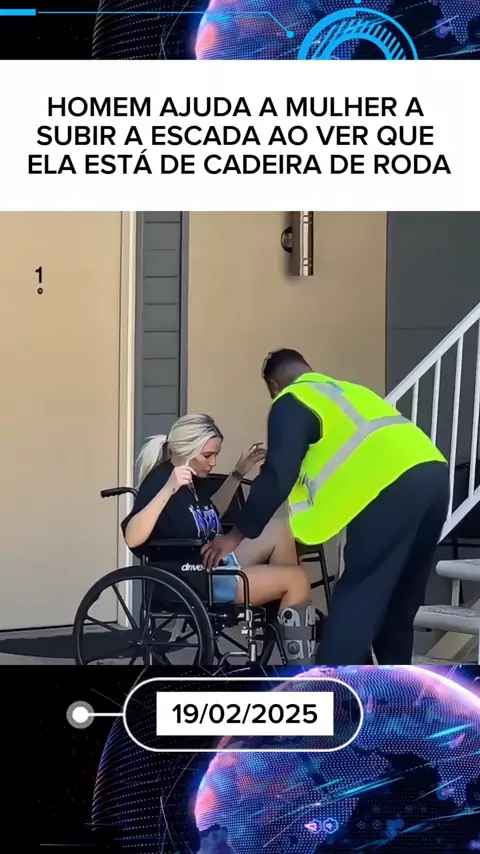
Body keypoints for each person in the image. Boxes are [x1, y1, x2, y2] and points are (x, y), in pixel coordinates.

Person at [202, 349, 450, 666]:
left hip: (390, 487)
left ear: (274, 386)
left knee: (358, 596)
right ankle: (392, 687)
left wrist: (235, 536)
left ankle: (331, 687)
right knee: (401, 601)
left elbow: (278, 475)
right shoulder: (349, 392)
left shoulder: (292, 399)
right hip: (434, 474)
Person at [122, 413, 316, 664]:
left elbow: (210, 513)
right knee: (296, 578)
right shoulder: (161, 480)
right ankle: (300, 666)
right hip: (197, 576)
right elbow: (132, 537)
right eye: (207, 455)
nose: (213, 462)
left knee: (280, 529)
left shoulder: (192, 479)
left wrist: (238, 473)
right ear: (187, 450)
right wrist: (169, 488)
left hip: (213, 561)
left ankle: (281, 613)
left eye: (215, 455)